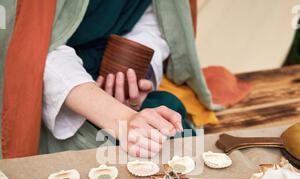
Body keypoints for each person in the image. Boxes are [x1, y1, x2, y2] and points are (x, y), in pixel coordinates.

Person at [0, 0, 217, 159]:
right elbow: (26, 45)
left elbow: (159, 12)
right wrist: (122, 120)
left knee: (178, 143)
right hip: (48, 92)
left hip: (109, 79)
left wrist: (137, 69)